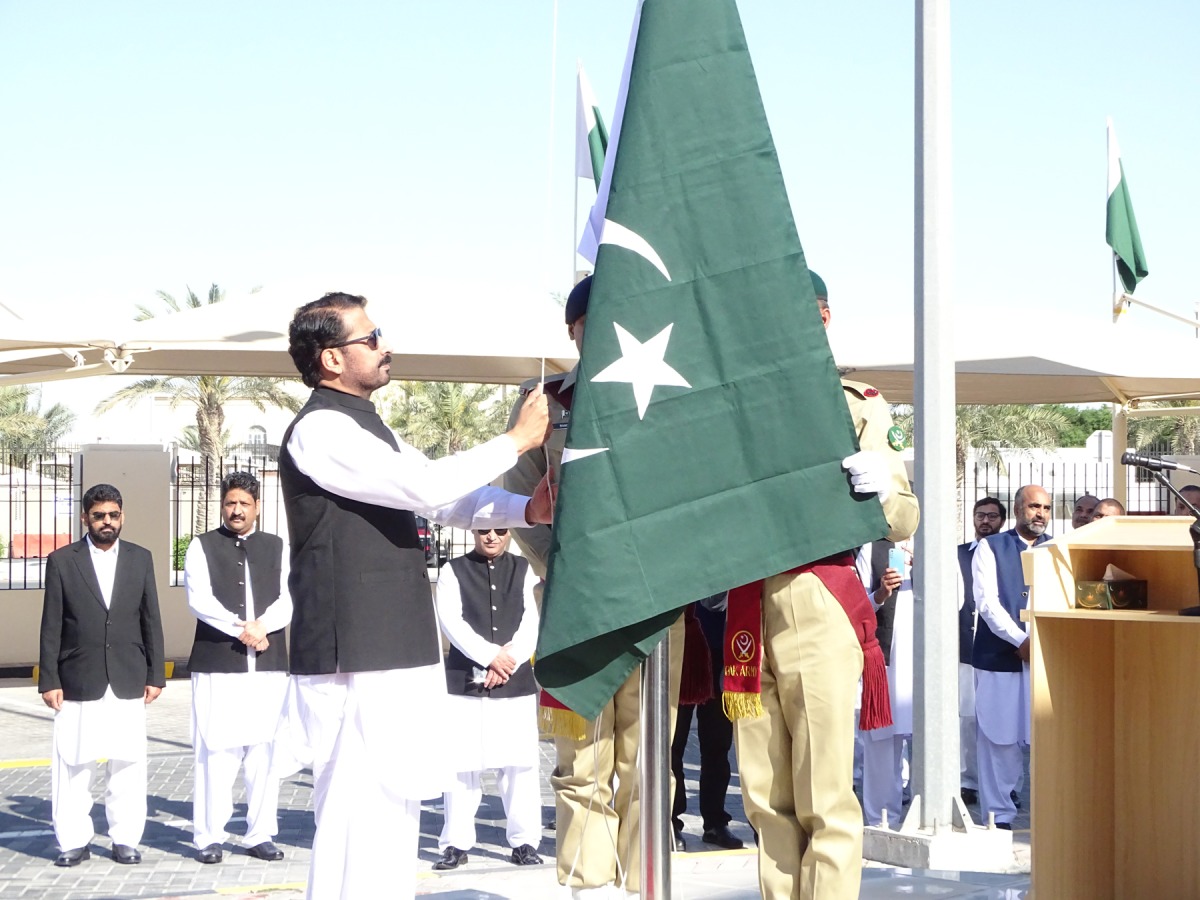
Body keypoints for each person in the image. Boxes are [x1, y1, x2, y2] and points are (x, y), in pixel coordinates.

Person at [278, 291, 552, 900]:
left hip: (390, 646)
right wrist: (515, 442)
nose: (386, 346)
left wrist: (523, 508)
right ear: (330, 359)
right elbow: (422, 485)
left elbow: (446, 499)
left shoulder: (366, 425)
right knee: (356, 806)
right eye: (371, 338)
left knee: (392, 802)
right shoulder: (321, 428)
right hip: (357, 648)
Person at [728, 272, 920, 900]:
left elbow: (906, 516)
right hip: (746, 597)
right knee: (763, 793)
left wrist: (880, 487)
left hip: (818, 591)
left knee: (824, 793)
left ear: (824, 317)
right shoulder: (736, 401)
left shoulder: (856, 402)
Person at [504, 274, 685, 899]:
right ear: (573, 329)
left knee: (644, 766)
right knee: (580, 767)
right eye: (592, 320)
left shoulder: (667, 392)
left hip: (653, 606)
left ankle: (643, 886)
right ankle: (587, 889)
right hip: (573, 608)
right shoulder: (544, 403)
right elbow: (519, 502)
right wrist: (572, 568)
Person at [37, 483, 165, 867]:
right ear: (85, 518)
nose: (106, 522)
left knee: (127, 763)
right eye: (98, 515)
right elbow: (51, 625)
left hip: (127, 675)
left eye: (112, 515)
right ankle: (73, 841)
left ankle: (125, 839)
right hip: (78, 677)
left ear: (121, 516)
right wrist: (49, 679)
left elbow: (150, 619)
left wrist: (156, 674)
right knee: (74, 764)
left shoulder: (141, 558)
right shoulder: (62, 561)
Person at [184, 471, 292, 865]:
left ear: (258, 507)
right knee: (217, 751)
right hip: (220, 664)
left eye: (244, 504)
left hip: (268, 662)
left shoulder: (277, 546)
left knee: (265, 752)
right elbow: (199, 599)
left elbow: (288, 596)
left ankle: (259, 834)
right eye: (231, 503)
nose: (237, 510)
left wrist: (263, 626)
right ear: (222, 505)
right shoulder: (202, 546)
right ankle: (208, 835)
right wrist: (242, 628)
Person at [432, 524, 543, 871]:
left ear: (509, 532)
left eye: (499, 529)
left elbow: (530, 622)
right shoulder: (453, 570)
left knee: (519, 765)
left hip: (514, 678)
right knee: (462, 765)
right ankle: (456, 843)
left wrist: (506, 662)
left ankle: (525, 842)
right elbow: (451, 621)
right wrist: (489, 656)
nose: (491, 536)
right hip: (467, 681)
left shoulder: (523, 570)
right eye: (483, 530)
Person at [971, 484, 1052, 829]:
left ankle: (1048, 813)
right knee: (998, 737)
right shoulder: (991, 547)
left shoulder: (1057, 548)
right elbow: (987, 602)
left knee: (1044, 737)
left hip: (1046, 657)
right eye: (1034, 506)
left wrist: (1038, 643)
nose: (1040, 514)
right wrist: (1021, 640)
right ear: (1018, 510)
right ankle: (998, 815)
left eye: (1046, 508)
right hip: (1001, 656)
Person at [669, 595, 744, 851]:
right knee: (673, 742)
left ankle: (715, 821)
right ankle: (670, 819)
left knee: (718, 743)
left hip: (721, 643)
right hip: (683, 644)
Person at [856, 538, 913, 829]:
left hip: (925, 663)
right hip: (886, 658)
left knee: (929, 739)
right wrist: (881, 592)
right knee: (881, 741)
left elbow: (960, 601)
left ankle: (928, 814)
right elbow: (857, 605)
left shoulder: (935, 543)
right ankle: (881, 819)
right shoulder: (872, 548)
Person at [957, 496, 1006, 807]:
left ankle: (1001, 784)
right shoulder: (959, 554)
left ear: (1002, 520)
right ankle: (967, 781)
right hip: (963, 646)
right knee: (966, 717)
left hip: (998, 649)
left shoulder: (1005, 554)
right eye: (980, 515)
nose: (985, 521)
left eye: (992, 516)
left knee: (994, 720)